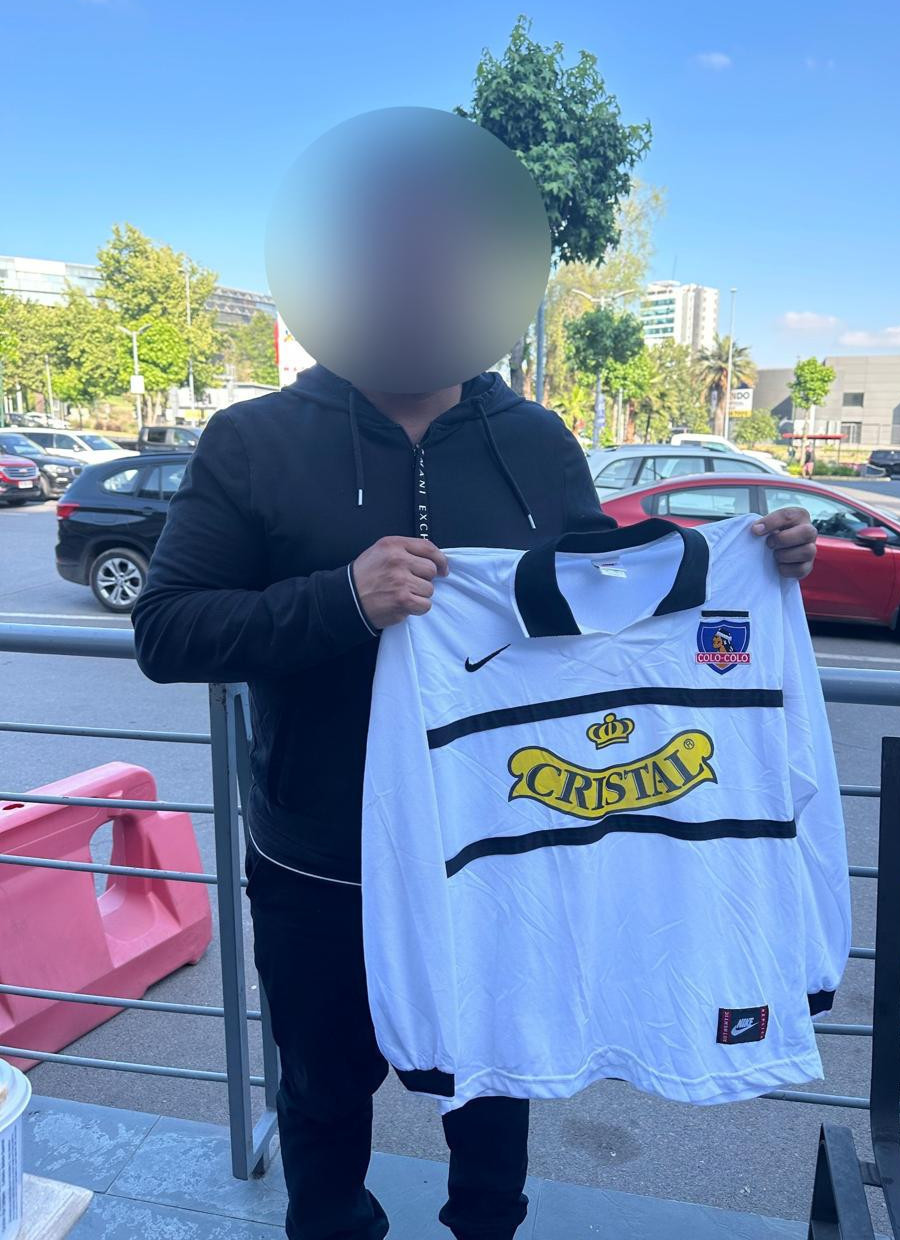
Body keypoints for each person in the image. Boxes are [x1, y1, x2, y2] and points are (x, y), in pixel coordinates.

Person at [132, 364, 818, 1240]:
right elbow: (166, 631)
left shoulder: (535, 438)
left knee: (497, 1088)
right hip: (321, 862)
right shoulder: (253, 439)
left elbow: (598, 602)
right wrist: (343, 598)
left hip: (500, 851)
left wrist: (746, 561)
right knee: (323, 1095)